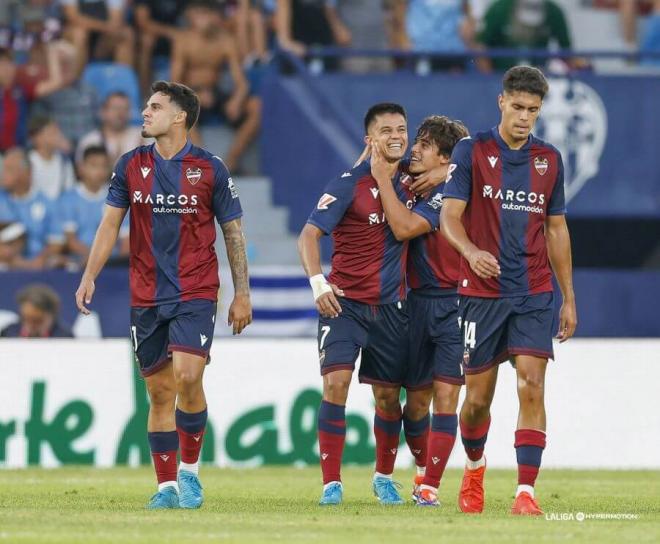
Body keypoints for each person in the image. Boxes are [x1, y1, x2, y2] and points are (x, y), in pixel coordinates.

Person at [75, 81, 252, 509]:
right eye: (146, 107)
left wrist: (242, 293)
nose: (145, 113)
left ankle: (190, 474)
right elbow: (109, 225)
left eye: (154, 107)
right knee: (158, 394)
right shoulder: (129, 165)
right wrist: (89, 275)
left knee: (189, 377)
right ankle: (166, 486)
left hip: (196, 288)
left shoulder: (211, 168)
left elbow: (233, 232)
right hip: (146, 294)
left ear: (179, 117)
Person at [440, 66, 577, 515]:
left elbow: (556, 229)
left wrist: (568, 297)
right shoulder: (472, 150)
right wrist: (471, 251)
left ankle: (525, 493)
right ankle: (475, 467)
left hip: (534, 292)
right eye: (517, 107)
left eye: (533, 110)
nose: (524, 117)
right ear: (502, 101)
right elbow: (449, 216)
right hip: (480, 292)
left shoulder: (549, 160)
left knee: (532, 384)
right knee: (477, 400)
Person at [298, 103, 431, 506]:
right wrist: (319, 284)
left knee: (389, 398)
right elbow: (307, 236)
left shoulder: (415, 182)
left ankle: (384, 477)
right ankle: (331, 485)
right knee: (335, 385)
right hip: (345, 304)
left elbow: (460, 170)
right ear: (369, 140)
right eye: (387, 130)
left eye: (402, 129)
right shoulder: (348, 184)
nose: (397, 136)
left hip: (393, 307)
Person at [369, 115, 469, 507]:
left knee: (447, 397)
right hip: (410, 303)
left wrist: (447, 175)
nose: (413, 148)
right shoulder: (407, 185)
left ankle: (430, 485)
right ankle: (423, 469)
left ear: (445, 157)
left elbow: (404, 229)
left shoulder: (456, 189)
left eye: (424, 145)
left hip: (453, 304)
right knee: (415, 406)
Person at [170, 0, 261, 173]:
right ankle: (203, 164)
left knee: (257, 106)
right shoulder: (182, 41)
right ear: (190, 16)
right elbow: (175, 83)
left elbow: (241, 82)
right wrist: (194, 95)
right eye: (199, 14)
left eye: (207, 14)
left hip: (216, 92)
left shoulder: (226, 41)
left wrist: (237, 98)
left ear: (214, 17)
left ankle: (231, 161)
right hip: (190, 92)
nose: (203, 19)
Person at [58, 145, 129, 267]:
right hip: (80, 262)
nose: (99, 171)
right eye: (94, 166)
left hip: (112, 263)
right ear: (81, 168)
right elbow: (71, 241)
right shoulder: (68, 199)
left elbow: (126, 241)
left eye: (104, 166)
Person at [0, 147, 63, 269]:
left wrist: (41, 259)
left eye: (9, 169)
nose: (2, 174)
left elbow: (56, 242)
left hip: (40, 266)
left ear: (25, 172)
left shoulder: (47, 203)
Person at [0, 44, 63, 151]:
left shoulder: (21, 90)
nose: (7, 70)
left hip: (17, 151)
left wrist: (52, 54)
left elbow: (56, 82)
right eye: (2, 65)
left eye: (10, 64)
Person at [76, 91, 146, 166]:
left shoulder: (141, 136)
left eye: (125, 109)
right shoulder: (90, 141)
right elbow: (82, 170)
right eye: (115, 108)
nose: (120, 113)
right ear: (103, 112)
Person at [27, 115, 76, 200]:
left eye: (58, 132)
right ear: (37, 138)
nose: (58, 136)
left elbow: (69, 192)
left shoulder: (64, 162)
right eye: (52, 132)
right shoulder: (28, 162)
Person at [0, 283, 74, 338]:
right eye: (25, 319)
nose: (30, 325)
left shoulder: (65, 337)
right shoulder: (8, 333)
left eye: (37, 320)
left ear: (51, 315)